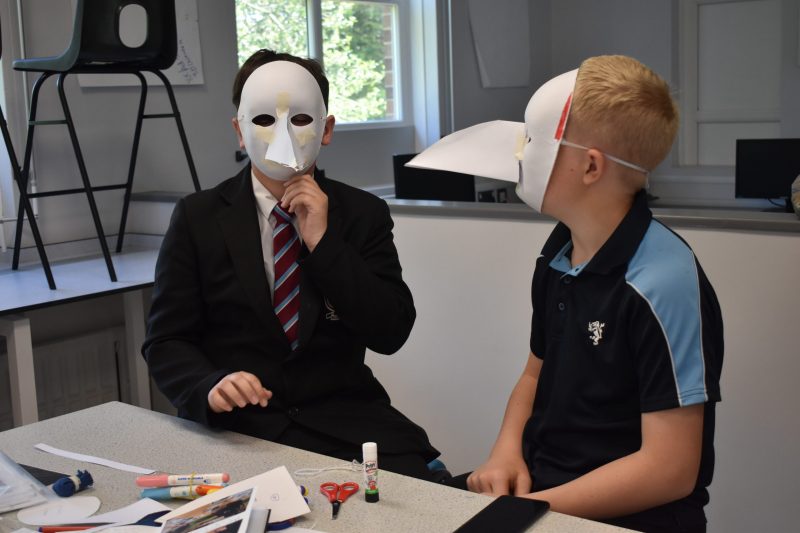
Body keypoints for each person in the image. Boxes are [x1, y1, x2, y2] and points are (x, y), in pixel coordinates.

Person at [434, 55, 723, 532]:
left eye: (534, 139)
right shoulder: (559, 253)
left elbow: (670, 469)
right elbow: (533, 375)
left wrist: (533, 509)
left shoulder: (661, 283)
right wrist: (505, 451)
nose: (518, 153)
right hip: (547, 486)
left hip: (635, 515)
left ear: (590, 166)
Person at [142, 49, 439, 480]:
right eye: (263, 120)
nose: (282, 134)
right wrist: (209, 385)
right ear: (240, 132)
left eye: (300, 119)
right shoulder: (198, 217)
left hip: (345, 423)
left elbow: (391, 331)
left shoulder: (362, 214)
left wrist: (324, 243)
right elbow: (166, 340)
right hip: (242, 429)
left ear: (327, 129)